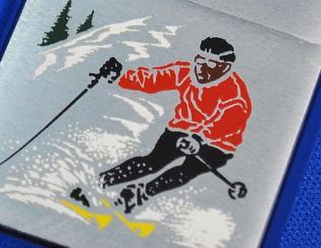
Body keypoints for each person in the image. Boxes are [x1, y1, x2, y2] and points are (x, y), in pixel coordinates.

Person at [99, 37, 252, 213]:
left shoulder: (235, 93)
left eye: (210, 64)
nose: (201, 67)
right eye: (199, 60)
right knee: (152, 162)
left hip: (217, 142)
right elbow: (154, 79)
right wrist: (121, 76)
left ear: (224, 67)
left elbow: (226, 124)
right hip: (183, 129)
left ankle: (142, 192)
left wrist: (199, 139)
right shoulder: (186, 72)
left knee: (186, 171)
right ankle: (106, 179)